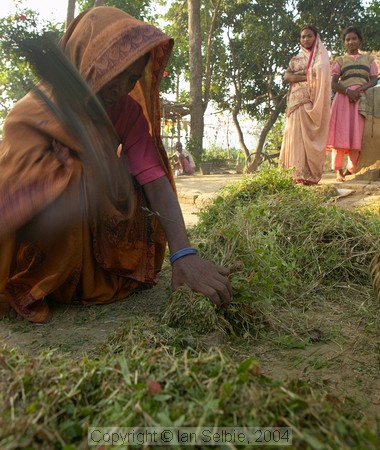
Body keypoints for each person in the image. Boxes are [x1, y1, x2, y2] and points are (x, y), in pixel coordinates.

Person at [0, 6, 231, 323]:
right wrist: (69, 175)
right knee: (75, 175)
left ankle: (92, 277)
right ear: (87, 57)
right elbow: (11, 189)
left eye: (132, 78)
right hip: (38, 247)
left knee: (124, 178)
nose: (121, 88)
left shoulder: (126, 112)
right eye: (114, 70)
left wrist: (183, 254)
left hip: (100, 248)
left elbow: (153, 178)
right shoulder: (33, 112)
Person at [279, 24, 331, 185]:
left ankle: (309, 174)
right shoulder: (295, 59)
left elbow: (324, 78)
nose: (306, 39)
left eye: (309, 36)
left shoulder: (321, 59)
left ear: (316, 38)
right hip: (296, 102)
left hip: (313, 101)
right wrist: (307, 76)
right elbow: (287, 76)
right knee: (295, 136)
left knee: (309, 137)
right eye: (303, 36)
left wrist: (299, 75)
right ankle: (294, 174)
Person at [326, 26, 378, 182]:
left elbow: (374, 79)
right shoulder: (339, 60)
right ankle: (338, 171)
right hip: (343, 100)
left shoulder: (369, 60)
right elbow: (333, 83)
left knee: (357, 134)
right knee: (340, 134)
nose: (351, 42)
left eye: (354, 38)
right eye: (347, 39)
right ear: (344, 43)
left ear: (360, 40)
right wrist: (349, 92)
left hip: (361, 100)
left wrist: (359, 90)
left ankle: (351, 168)